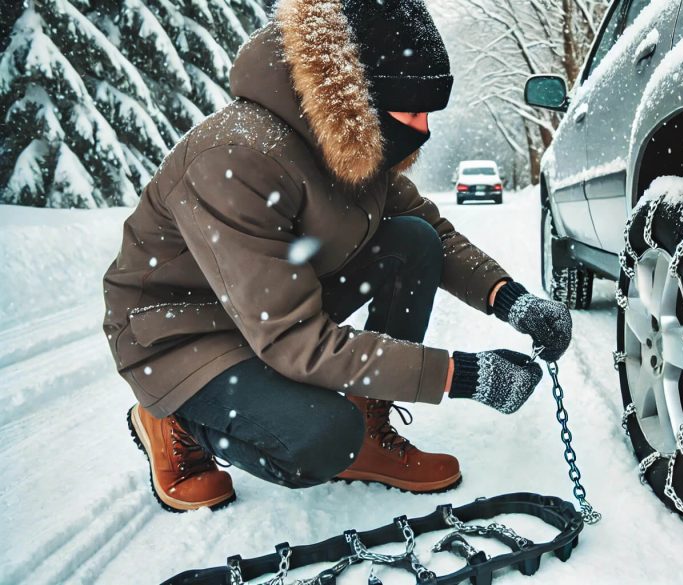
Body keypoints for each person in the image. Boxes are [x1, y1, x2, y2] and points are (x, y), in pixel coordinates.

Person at [102, 0, 572, 512]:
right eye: (412, 108)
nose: (424, 128)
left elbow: (431, 229)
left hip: (266, 309)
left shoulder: (348, 141)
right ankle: (173, 416)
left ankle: (371, 426)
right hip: (183, 334)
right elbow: (295, 341)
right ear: (360, 97)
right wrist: (461, 375)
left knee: (412, 241)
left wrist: (512, 301)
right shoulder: (236, 159)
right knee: (321, 438)